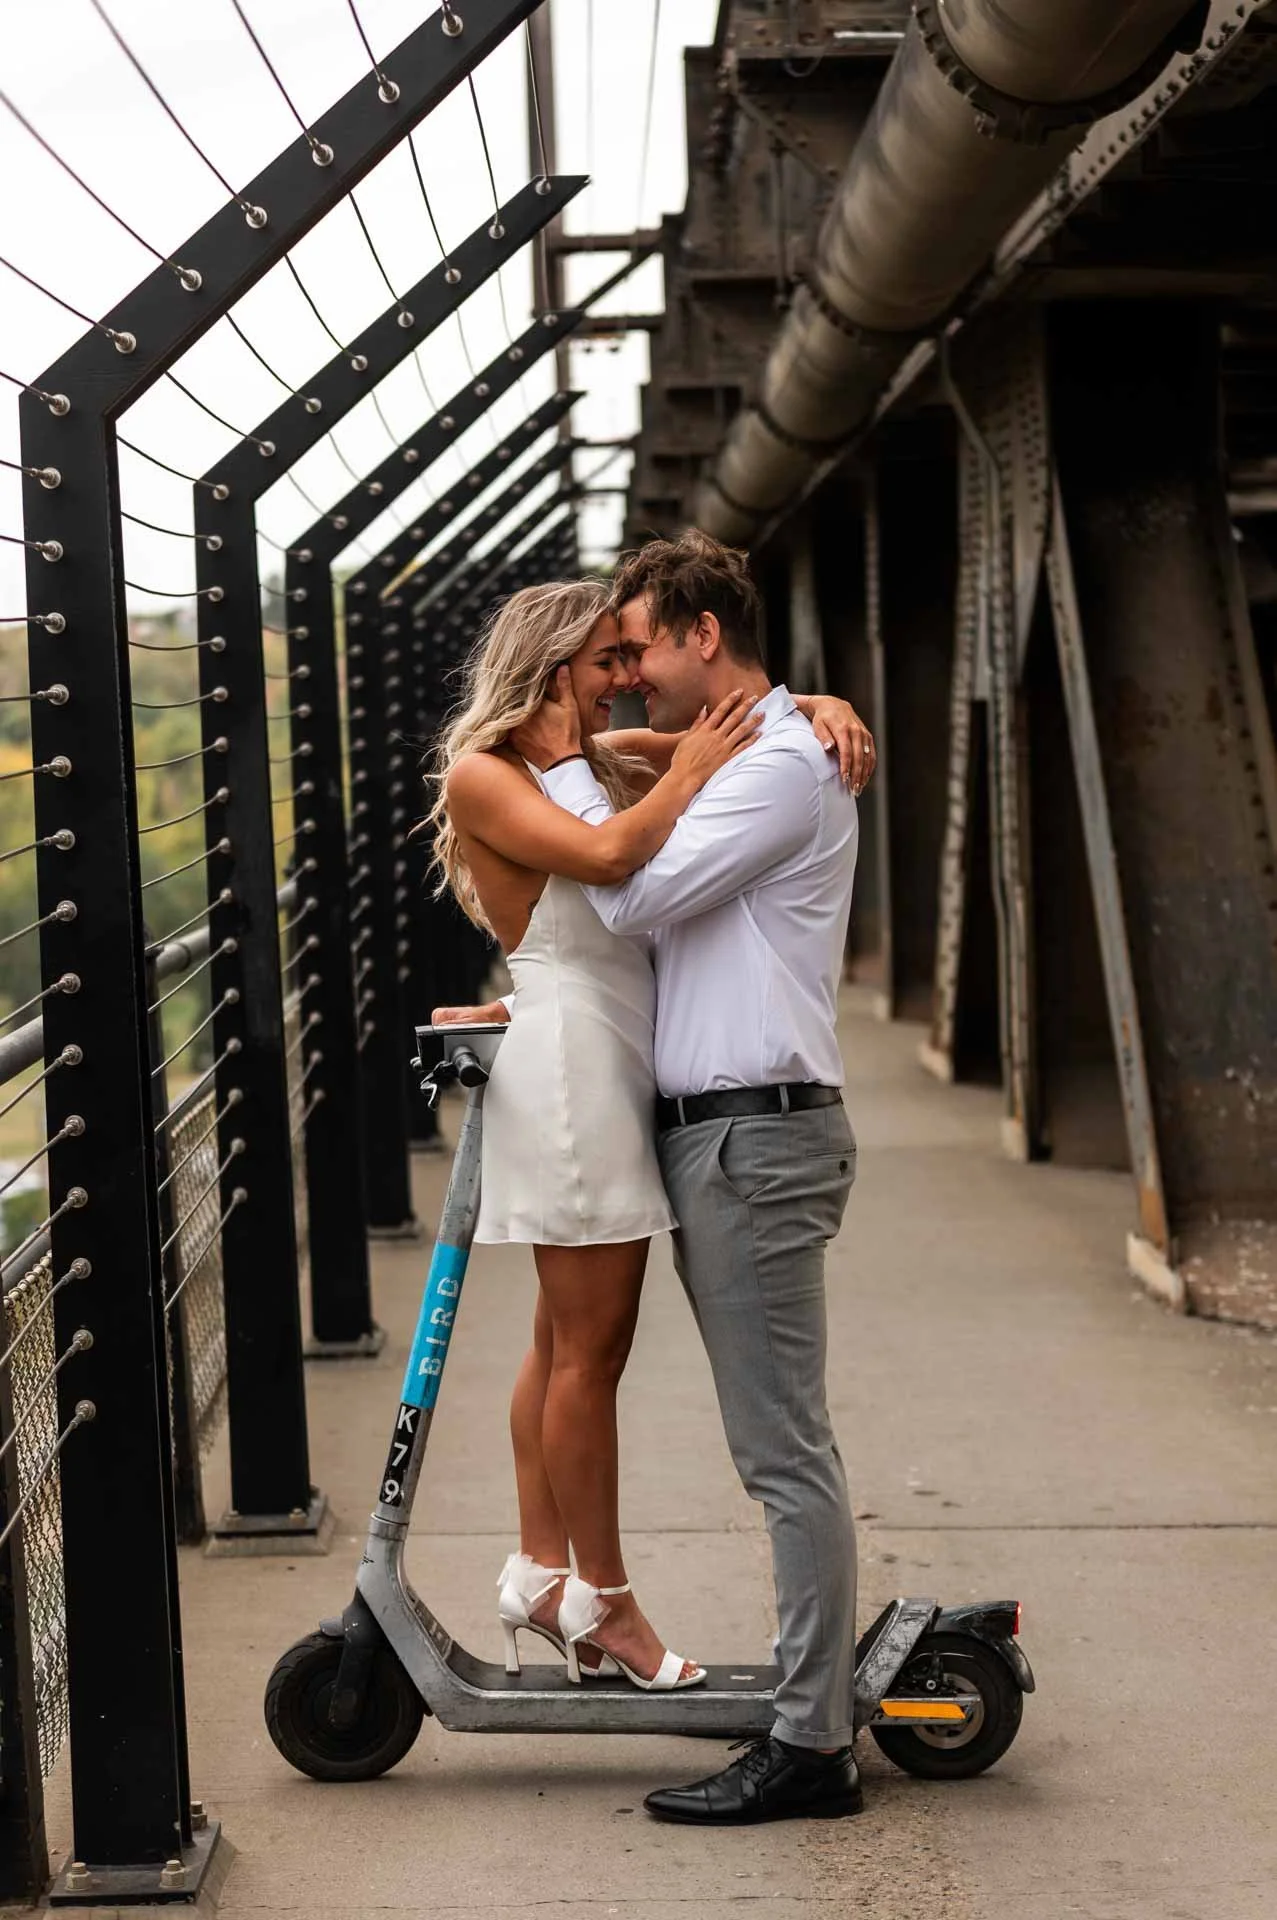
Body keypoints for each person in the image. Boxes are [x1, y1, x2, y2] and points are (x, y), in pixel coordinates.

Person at [428, 574, 871, 1697]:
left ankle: (540, 1569)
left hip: (603, 1050)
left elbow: (723, 738)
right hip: (577, 1065)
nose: (622, 679)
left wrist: (808, 704)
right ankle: (604, 1603)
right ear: (553, 668)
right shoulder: (491, 772)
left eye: (630, 658)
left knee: (562, 1343)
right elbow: (618, 862)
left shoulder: (598, 756)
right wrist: (682, 769)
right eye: (602, 661)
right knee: (587, 1350)